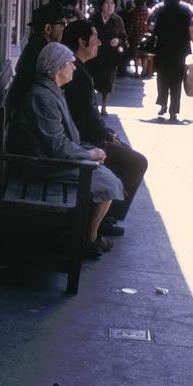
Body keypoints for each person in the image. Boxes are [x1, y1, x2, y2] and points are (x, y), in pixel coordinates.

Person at [9, 42, 125, 258]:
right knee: (108, 182)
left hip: (50, 157)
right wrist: (88, 154)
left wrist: (88, 151)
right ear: (57, 68)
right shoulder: (42, 96)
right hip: (43, 164)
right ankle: (87, 239)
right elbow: (56, 146)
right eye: (70, 63)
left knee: (107, 174)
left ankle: (86, 234)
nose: (74, 67)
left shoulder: (51, 90)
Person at [62, 19, 148, 234]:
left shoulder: (79, 68)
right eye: (94, 38)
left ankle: (106, 217)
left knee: (128, 154)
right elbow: (83, 117)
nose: (99, 42)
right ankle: (103, 221)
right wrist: (104, 136)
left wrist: (107, 132)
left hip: (88, 134)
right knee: (137, 162)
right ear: (82, 42)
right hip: (83, 140)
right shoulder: (75, 72)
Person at [5, 1, 67, 117]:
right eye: (62, 24)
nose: (64, 28)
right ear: (48, 28)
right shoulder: (45, 54)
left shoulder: (35, 45)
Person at [153, 0, 193, 122]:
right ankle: (174, 111)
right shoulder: (187, 8)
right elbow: (191, 30)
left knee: (162, 76)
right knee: (176, 80)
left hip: (162, 47)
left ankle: (163, 103)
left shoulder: (158, 8)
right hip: (180, 49)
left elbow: (150, 26)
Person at [89, 0, 128, 116]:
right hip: (95, 53)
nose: (109, 6)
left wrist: (118, 41)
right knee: (92, 80)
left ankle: (104, 107)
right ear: (101, 5)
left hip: (111, 55)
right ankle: (93, 104)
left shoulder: (117, 20)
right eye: (107, 3)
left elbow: (123, 37)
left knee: (108, 82)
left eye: (112, 3)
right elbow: (86, 32)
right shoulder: (94, 18)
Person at [124, 0, 150, 76]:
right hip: (145, 34)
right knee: (144, 53)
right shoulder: (147, 11)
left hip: (135, 34)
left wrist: (128, 35)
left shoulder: (133, 12)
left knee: (136, 54)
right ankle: (144, 71)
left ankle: (136, 72)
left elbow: (131, 25)